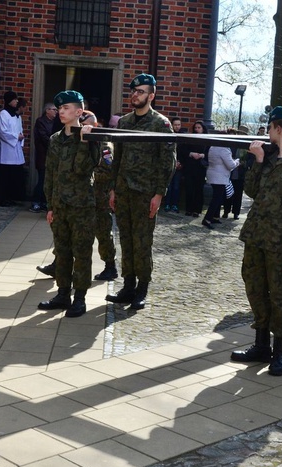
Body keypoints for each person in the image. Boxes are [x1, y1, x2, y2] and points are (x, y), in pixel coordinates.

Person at [229, 106, 282, 376]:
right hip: (256, 236)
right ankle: (260, 345)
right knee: (254, 290)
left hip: (281, 243)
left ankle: (278, 351)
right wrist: (257, 160)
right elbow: (251, 191)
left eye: (269, 127)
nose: (267, 132)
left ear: (278, 128)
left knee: (278, 296)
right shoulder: (268, 157)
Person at [106, 73, 176, 311]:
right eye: (134, 91)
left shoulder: (161, 124)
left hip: (146, 193)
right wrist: (113, 188)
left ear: (151, 96)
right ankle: (127, 285)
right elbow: (117, 159)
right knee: (125, 238)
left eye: (141, 92)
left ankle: (142, 288)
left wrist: (159, 194)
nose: (135, 95)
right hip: (124, 191)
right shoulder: (124, 122)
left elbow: (167, 162)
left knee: (142, 242)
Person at [37, 91, 99, 318]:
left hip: (82, 205)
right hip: (61, 205)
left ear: (79, 112)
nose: (61, 112)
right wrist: (50, 206)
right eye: (59, 108)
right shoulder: (55, 139)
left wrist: (84, 141)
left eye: (66, 108)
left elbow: (83, 170)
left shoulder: (90, 137)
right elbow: (50, 175)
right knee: (62, 251)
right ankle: (63, 293)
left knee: (81, 252)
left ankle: (80, 298)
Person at [83, 110, 119, 281]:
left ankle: (110, 266)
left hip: (99, 197)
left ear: (95, 126)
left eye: (86, 125)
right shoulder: (78, 142)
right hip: (81, 197)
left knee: (103, 232)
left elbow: (107, 170)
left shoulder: (104, 145)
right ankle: (58, 263)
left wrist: (84, 174)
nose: (83, 129)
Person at [0, 90, 25, 206]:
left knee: (12, 176)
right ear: (9, 101)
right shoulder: (3, 114)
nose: (17, 101)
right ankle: (0, 198)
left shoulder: (17, 116)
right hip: (5, 151)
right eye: (15, 99)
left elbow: (19, 130)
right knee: (3, 176)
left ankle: (10, 197)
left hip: (15, 149)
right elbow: (1, 132)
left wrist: (20, 137)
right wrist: (17, 137)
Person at [202, 135, 238, 229]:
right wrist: (237, 161)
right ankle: (207, 219)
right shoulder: (223, 149)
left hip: (213, 174)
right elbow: (230, 165)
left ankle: (215, 216)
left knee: (219, 197)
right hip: (220, 176)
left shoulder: (213, 147)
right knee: (217, 199)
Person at [30, 102, 57, 213]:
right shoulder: (41, 122)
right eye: (54, 109)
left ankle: (44, 202)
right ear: (47, 111)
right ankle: (35, 202)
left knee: (48, 180)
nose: (56, 112)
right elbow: (44, 138)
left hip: (52, 155)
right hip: (43, 155)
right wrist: (55, 143)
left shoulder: (55, 122)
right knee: (42, 179)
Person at [179, 121, 208, 218]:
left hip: (200, 167)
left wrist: (202, 155)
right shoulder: (190, 138)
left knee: (199, 189)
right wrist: (191, 153)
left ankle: (197, 210)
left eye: (199, 127)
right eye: (196, 128)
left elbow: (210, 152)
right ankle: (189, 209)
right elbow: (183, 150)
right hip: (190, 167)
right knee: (189, 188)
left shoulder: (208, 139)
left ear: (203, 129)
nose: (197, 129)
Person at [223, 124, 251, 220]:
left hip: (241, 173)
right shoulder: (232, 144)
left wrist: (244, 163)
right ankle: (226, 211)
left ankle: (236, 213)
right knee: (228, 193)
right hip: (230, 171)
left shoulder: (248, 146)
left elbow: (251, 160)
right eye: (240, 133)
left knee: (238, 194)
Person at [163, 116, 186, 212]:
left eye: (179, 125)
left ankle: (174, 204)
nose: (177, 126)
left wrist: (180, 162)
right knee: (169, 186)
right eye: (175, 125)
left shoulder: (184, 137)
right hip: (169, 164)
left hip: (179, 165)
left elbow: (184, 152)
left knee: (176, 186)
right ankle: (167, 204)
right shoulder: (168, 135)